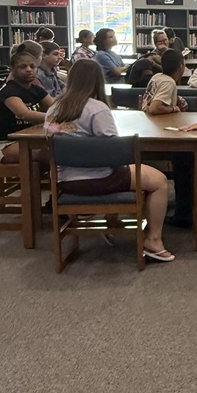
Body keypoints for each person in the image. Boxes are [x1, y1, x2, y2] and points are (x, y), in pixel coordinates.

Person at [43, 59, 174, 262]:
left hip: (65, 180)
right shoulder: (97, 108)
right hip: (102, 178)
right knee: (159, 181)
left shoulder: (53, 109)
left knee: (131, 172)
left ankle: (112, 221)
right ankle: (153, 240)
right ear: (97, 81)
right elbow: (112, 151)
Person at [0, 46, 55, 163]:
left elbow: (54, 106)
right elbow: (24, 114)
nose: (29, 70)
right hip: (3, 145)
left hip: (26, 138)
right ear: (12, 69)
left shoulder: (36, 89)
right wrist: (54, 116)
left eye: (32, 67)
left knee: (60, 146)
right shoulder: (9, 91)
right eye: (23, 67)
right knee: (52, 153)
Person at [142, 49, 187, 115]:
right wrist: (174, 108)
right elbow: (154, 108)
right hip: (159, 122)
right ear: (181, 67)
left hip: (146, 118)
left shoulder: (157, 76)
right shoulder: (169, 82)